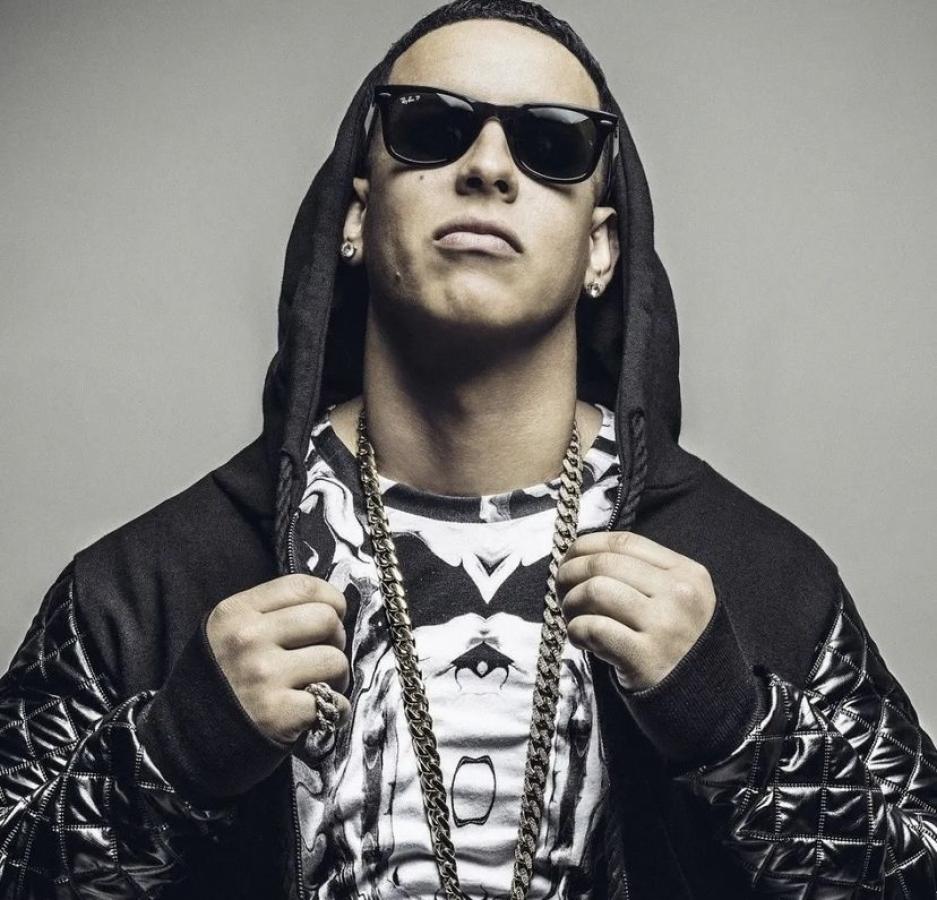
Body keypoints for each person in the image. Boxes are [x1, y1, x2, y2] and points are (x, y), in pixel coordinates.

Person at [1, 1, 935, 897]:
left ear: (602, 249)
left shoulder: (756, 576)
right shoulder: (155, 581)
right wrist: (172, 754)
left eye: (552, 144)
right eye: (431, 128)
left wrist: (740, 728)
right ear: (355, 218)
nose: (488, 166)